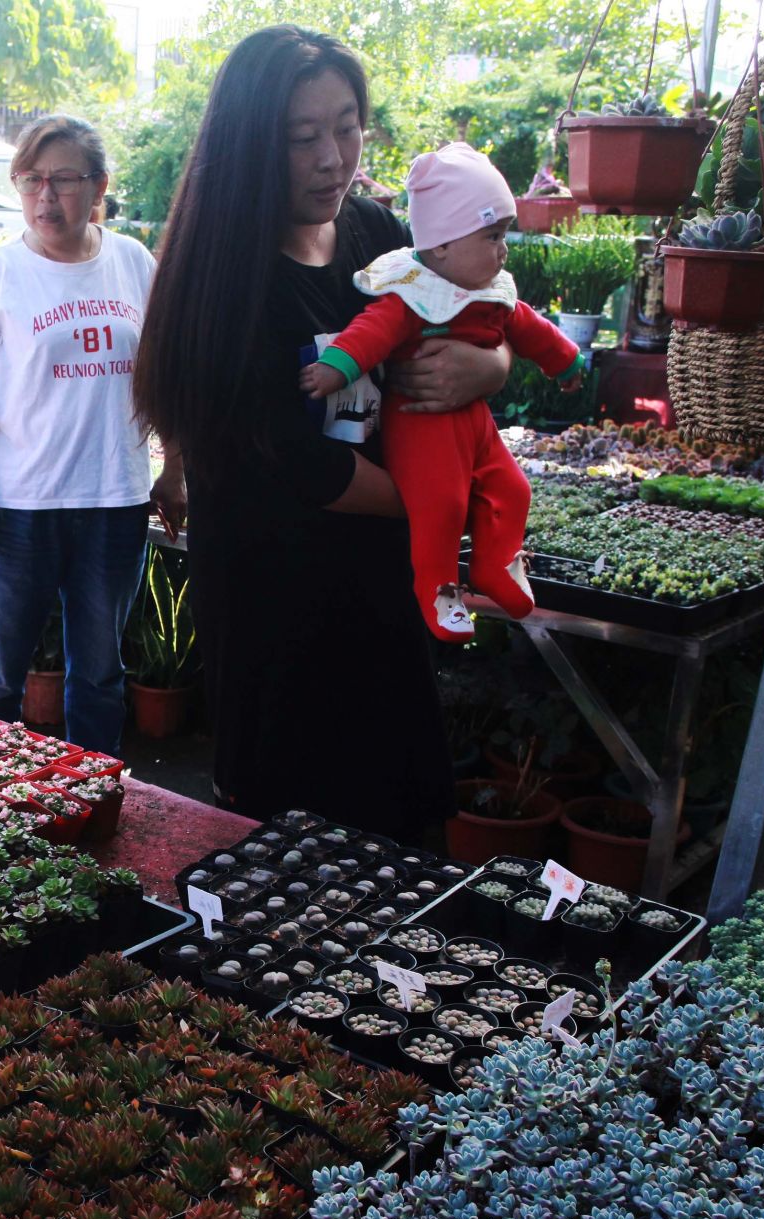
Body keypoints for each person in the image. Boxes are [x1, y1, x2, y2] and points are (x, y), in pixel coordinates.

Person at [133, 26, 513, 842]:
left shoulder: (377, 236)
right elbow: (301, 467)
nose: (332, 159)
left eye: (347, 128)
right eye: (301, 138)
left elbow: (481, 316)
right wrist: (439, 503)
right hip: (276, 609)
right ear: (248, 146)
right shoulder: (223, 283)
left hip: (383, 592)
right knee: (293, 844)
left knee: (403, 822)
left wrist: (490, 368)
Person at [0, 115, 162, 756]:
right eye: (30, 180)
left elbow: (163, 373)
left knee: (100, 676)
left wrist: (175, 469)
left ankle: (94, 796)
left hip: (114, 499)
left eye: (63, 180)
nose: (45, 197)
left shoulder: (132, 262)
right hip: (18, 507)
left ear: (99, 186)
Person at [301, 142, 583, 641]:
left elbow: (531, 329)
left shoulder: (490, 293)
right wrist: (335, 368)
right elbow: (372, 332)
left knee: (513, 489)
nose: (503, 249)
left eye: (504, 234)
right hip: (422, 424)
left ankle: (496, 564)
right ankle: (438, 588)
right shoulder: (413, 292)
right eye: (492, 235)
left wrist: (565, 362)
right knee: (443, 506)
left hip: (477, 426)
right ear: (443, 245)